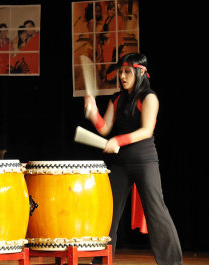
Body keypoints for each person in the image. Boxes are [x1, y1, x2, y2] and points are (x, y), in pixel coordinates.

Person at [84, 53, 183, 265]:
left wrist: (118, 140)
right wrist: (94, 114)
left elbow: (146, 130)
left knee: (157, 213)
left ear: (140, 72)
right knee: (108, 213)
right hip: (121, 165)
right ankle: (101, 260)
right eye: (120, 71)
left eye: (127, 71)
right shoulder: (117, 99)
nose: (122, 76)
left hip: (144, 161)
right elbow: (105, 128)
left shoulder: (149, 97)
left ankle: (173, 263)